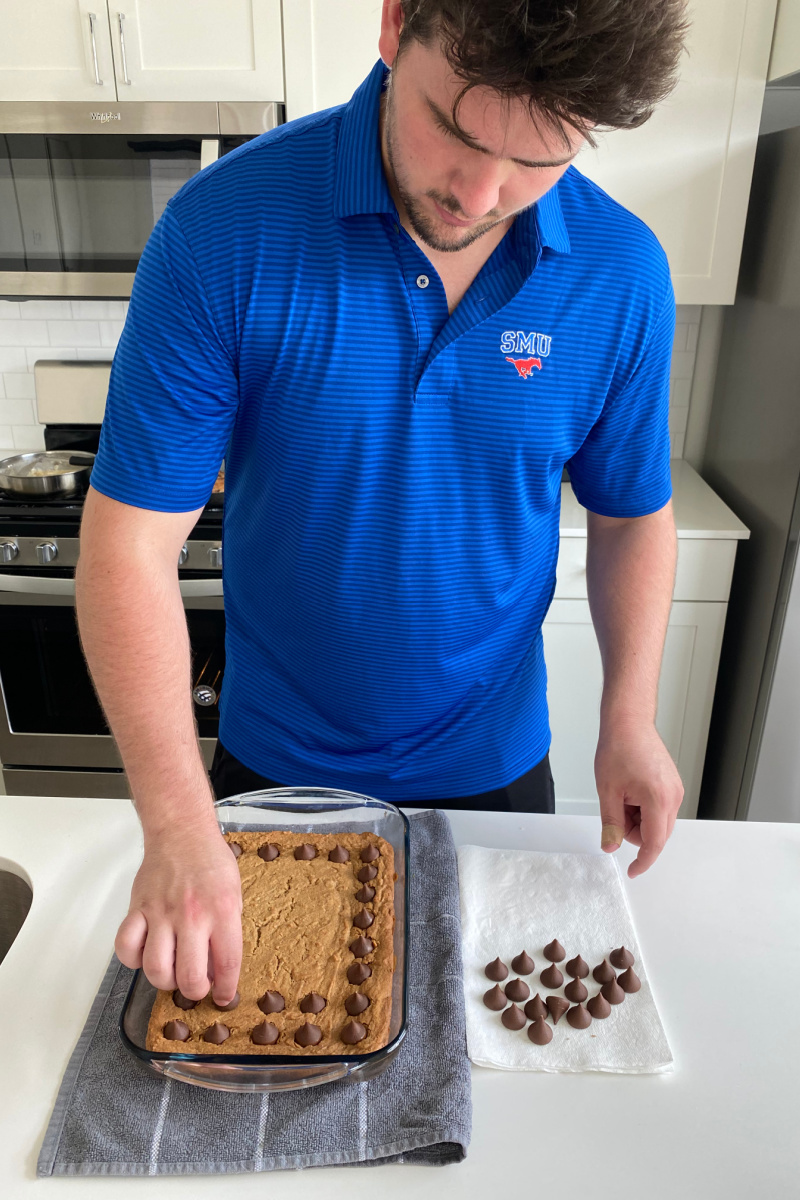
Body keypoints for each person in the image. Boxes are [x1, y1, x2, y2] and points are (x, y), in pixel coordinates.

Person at [76, 0, 689, 1008]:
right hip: (272, 773)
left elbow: (629, 515)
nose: (482, 193)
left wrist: (629, 715)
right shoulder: (221, 231)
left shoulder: (622, 276)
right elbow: (128, 553)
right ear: (395, 24)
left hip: (495, 772)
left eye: (539, 160)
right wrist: (175, 824)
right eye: (455, 128)